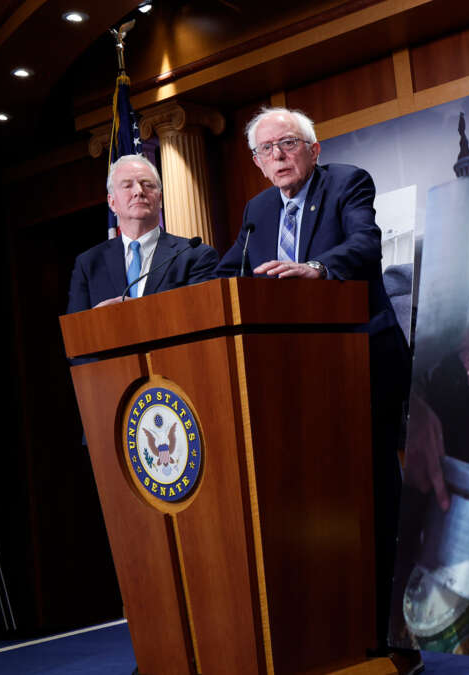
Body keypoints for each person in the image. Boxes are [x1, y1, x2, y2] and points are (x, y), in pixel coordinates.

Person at [215, 107, 414, 669]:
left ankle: (396, 634)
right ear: (256, 163)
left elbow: (365, 247)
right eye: (266, 150)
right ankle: (335, 631)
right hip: (292, 380)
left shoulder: (347, 182)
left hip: (360, 359)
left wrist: (317, 270)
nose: (277, 156)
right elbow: (230, 270)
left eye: (288, 144)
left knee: (375, 499)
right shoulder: (257, 210)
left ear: (314, 149)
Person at [66, 155, 218, 314]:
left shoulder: (195, 255)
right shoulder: (88, 264)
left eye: (147, 185)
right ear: (112, 202)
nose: (139, 191)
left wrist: (141, 311)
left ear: (160, 199)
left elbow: (203, 314)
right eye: (127, 186)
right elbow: (76, 331)